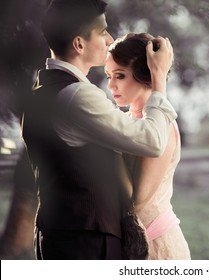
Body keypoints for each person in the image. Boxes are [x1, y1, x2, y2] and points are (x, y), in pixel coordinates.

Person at [21, 0, 176, 260]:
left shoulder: (42, 91)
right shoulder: (77, 96)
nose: (109, 39)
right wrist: (158, 78)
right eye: (102, 31)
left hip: (60, 235)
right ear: (79, 44)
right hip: (86, 242)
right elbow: (151, 140)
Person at [105, 32, 191, 260]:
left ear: (145, 75)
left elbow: (138, 199)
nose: (111, 85)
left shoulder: (162, 126)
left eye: (120, 76)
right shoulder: (125, 120)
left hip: (157, 246)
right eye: (108, 76)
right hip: (129, 245)